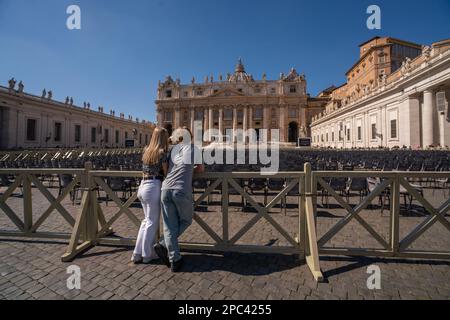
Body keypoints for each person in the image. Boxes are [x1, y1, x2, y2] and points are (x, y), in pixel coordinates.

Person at [154, 127, 204, 272]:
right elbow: (200, 169)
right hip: (181, 190)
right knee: (186, 220)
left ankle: (175, 259)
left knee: (169, 226)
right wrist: (190, 170)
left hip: (165, 189)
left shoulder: (172, 150)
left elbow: (168, 169)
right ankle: (163, 243)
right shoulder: (194, 149)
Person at [131, 127, 169, 264]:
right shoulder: (162, 152)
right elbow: (166, 173)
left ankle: (137, 253)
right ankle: (147, 254)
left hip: (142, 186)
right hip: (153, 187)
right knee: (152, 221)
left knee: (146, 221)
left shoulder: (146, 150)